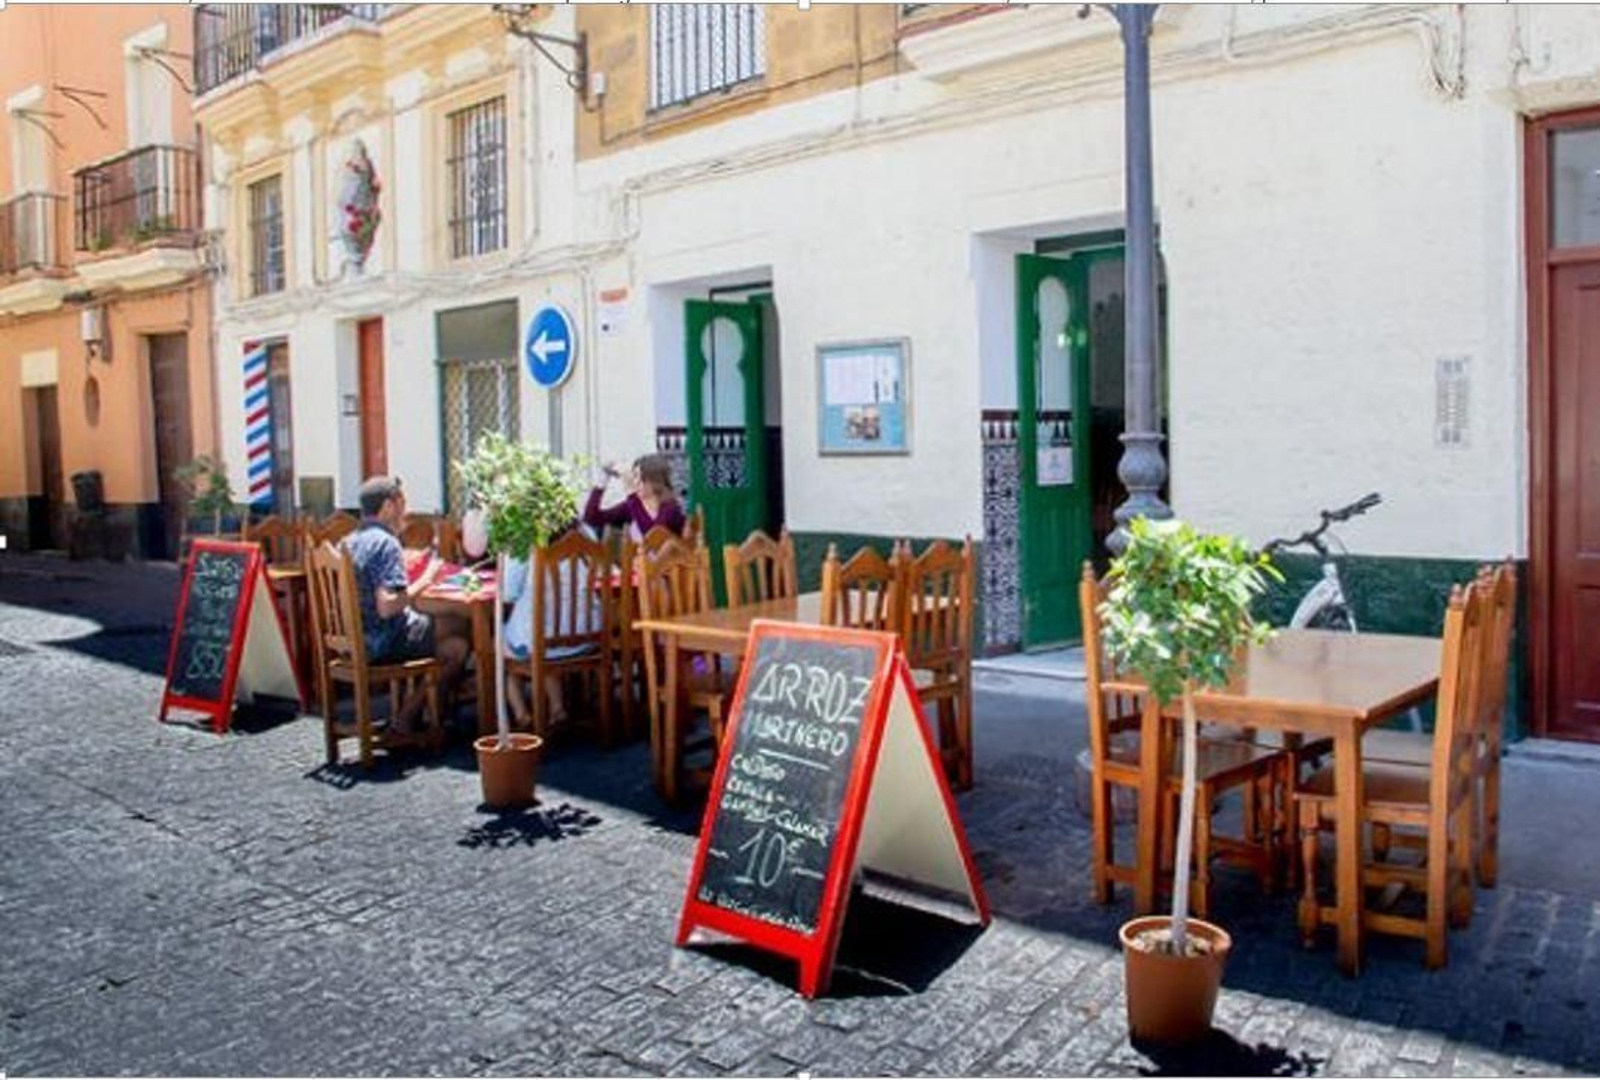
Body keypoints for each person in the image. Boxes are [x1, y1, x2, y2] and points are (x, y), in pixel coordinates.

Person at [344, 476, 471, 737]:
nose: (406, 511)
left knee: (454, 645)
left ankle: (426, 715)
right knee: (462, 626)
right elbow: (387, 606)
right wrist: (427, 578)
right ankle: (412, 716)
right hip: (386, 639)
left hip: (356, 640)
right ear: (388, 506)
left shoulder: (347, 542)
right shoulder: (385, 543)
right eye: (402, 503)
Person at [583, 454, 686, 540]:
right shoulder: (633, 505)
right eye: (634, 476)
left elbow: (653, 538)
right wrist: (602, 480)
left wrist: (631, 492)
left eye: (639, 477)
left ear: (654, 481)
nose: (635, 482)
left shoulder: (670, 508)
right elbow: (592, 518)